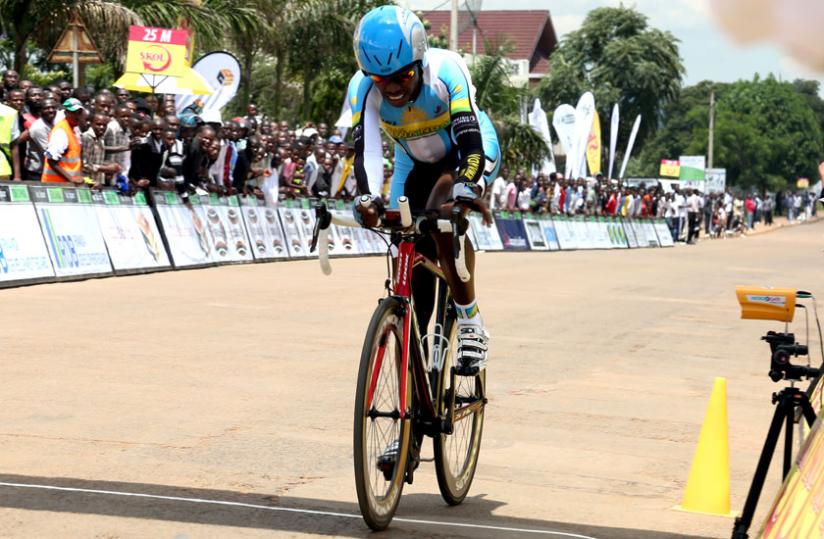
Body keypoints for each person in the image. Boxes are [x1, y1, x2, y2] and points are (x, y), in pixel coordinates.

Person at [349, 6, 499, 375]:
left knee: (443, 214)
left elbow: (470, 143)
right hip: (412, 162)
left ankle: (470, 323)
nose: (394, 87)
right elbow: (367, 153)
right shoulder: (363, 88)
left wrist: (467, 189)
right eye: (383, 81)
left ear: (419, 59)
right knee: (406, 242)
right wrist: (366, 199)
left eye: (403, 75)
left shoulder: (446, 70)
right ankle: (414, 389)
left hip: (464, 153)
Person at [42, 98, 85, 184]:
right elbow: (51, 160)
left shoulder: (73, 129)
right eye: (73, 113)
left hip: (68, 185)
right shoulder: (61, 131)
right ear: (66, 113)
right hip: (56, 185)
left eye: (79, 112)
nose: (77, 116)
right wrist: (71, 179)